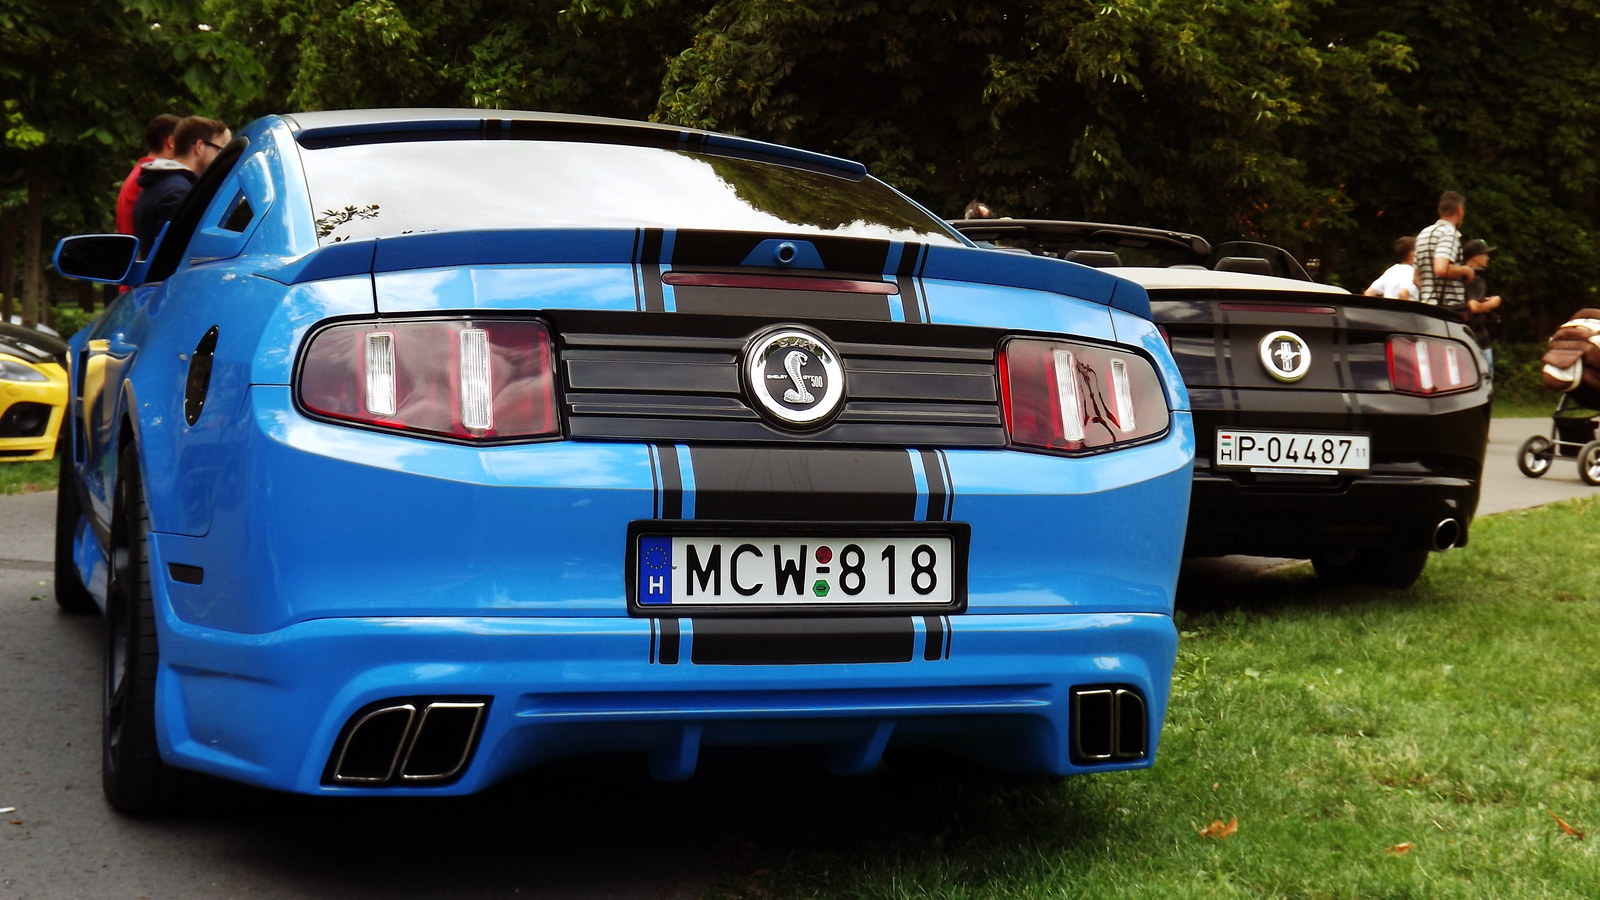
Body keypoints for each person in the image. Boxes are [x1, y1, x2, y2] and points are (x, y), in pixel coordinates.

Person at [131, 116, 231, 256]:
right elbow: (171, 257)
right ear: (199, 147)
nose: (221, 157)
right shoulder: (179, 193)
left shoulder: (154, 183)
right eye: (219, 149)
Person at [116, 114, 180, 237]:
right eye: (182, 142)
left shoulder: (142, 171)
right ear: (171, 142)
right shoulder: (153, 178)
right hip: (139, 254)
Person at [1451, 238, 1504, 378]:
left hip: (1460, 335)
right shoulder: (1478, 279)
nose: (1487, 258)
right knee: (1485, 378)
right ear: (1475, 257)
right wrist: (1493, 303)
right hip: (1479, 338)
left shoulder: (1457, 278)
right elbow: (1473, 307)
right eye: (1484, 254)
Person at [1412, 191, 1474, 306]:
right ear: (1459, 210)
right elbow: (1441, 269)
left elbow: (1416, 276)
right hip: (1447, 308)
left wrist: (1428, 295)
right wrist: (1466, 270)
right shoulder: (1449, 234)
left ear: (1440, 211)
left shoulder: (1423, 233)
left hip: (1426, 306)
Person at [1363, 236, 1417, 301]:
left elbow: (1368, 293)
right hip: (1404, 311)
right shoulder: (1411, 272)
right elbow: (1402, 293)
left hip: (1387, 310)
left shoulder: (1391, 271)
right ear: (1412, 255)